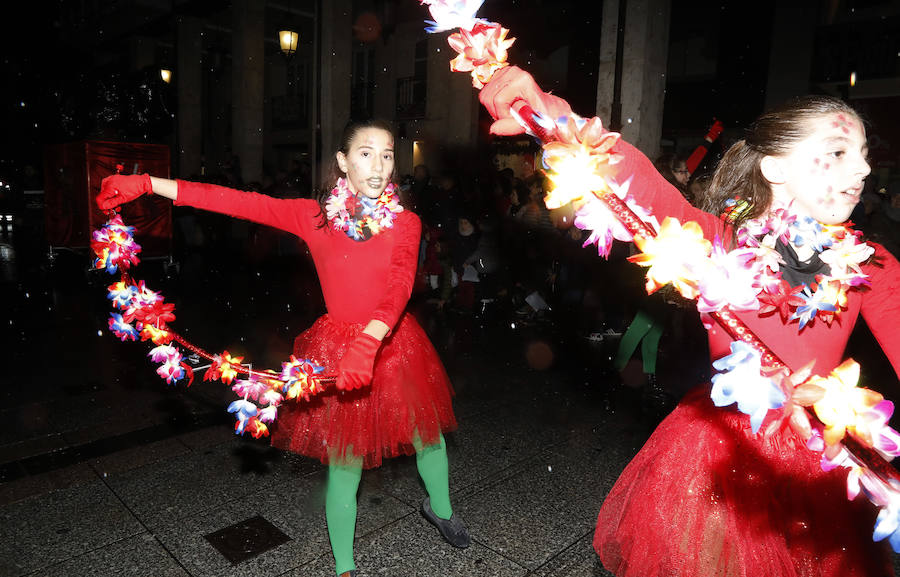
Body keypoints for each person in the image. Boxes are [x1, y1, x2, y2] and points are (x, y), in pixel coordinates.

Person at [479, 65, 900, 576]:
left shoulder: (872, 263)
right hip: (718, 457)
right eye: (837, 153)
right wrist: (553, 113)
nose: (861, 171)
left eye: (862, 157)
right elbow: (645, 189)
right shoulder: (719, 241)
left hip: (823, 461)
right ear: (774, 168)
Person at [96, 118, 470, 577]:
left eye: (387, 154)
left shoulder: (407, 223)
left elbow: (397, 287)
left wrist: (372, 339)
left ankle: (443, 511)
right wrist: (151, 183)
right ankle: (344, 567)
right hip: (338, 348)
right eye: (366, 153)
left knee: (427, 436)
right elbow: (235, 201)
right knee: (345, 461)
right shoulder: (312, 216)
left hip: (393, 343)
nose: (379, 167)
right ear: (341, 161)